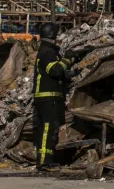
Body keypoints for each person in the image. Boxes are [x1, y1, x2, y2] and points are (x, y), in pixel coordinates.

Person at [34, 22, 69, 171]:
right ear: (52, 34)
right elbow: (55, 70)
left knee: (45, 129)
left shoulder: (44, 50)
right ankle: (43, 162)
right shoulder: (48, 52)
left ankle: (45, 160)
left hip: (45, 96)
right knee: (47, 129)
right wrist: (67, 60)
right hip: (48, 97)